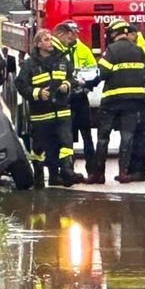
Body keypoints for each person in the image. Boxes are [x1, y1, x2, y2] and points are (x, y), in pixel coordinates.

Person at [15, 29, 84, 188]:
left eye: (51, 40)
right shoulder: (30, 63)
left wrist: (67, 84)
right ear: (38, 44)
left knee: (65, 143)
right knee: (41, 148)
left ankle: (67, 171)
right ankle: (39, 178)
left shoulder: (62, 59)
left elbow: (71, 78)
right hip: (41, 114)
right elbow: (20, 84)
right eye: (46, 40)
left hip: (62, 110)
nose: (50, 43)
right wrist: (37, 92)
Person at [85, 20, 145, 184]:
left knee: (103, 138)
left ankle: (98, 174)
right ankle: (124, 173)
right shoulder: (139, 50)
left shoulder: (112, 51)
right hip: (134, 101)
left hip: (112, 102)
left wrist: (86, 84)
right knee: (127, 138)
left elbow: (101, 73)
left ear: (115, 33)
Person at [53, 20, 98, 177]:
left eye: (74, 32)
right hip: (64, 99)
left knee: (87, 135)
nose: (72, 35)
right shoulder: (58, 51)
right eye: (69, 33)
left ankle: (91, 171)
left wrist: (86, 83)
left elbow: (94, 72)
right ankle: (67, 169)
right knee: (65, 137)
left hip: (80, 98)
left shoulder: (84, 50)